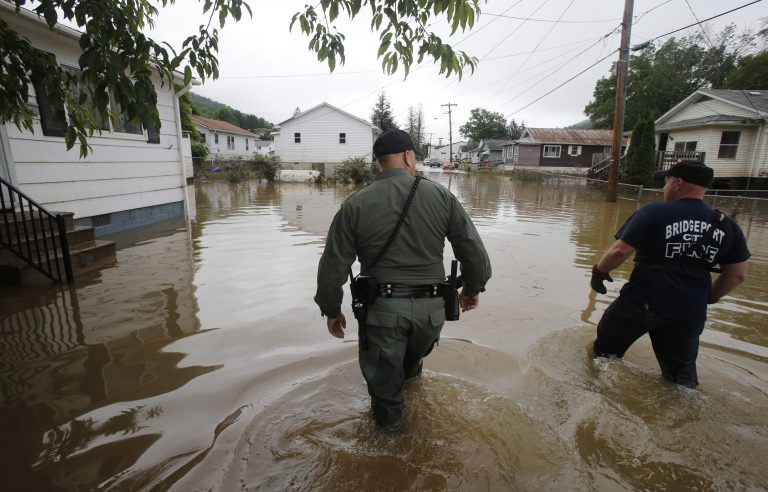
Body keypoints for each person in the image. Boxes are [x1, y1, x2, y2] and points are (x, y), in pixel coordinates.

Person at [314, 129, 492, 432]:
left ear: (378, 162)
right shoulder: (441, 196)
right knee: (411, 372)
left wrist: (331, 309)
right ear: (409, 156)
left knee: (386, 400)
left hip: (383, 313)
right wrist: (473, 289)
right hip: (432, 313)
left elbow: (333, 265)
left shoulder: (355, 204)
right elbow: (474, 253)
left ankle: (392, 457)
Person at [590, 160, 750, 387]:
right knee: (680, 379)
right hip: (689, 312)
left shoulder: (653, 212)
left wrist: (599, 272)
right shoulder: (726, 225)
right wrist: (709, 297)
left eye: (665, 182)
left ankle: (596, 390)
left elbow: (620, 251)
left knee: (603, 356)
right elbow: (738, 274)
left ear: (678, 183)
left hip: (641, 303)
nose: (664, 188)